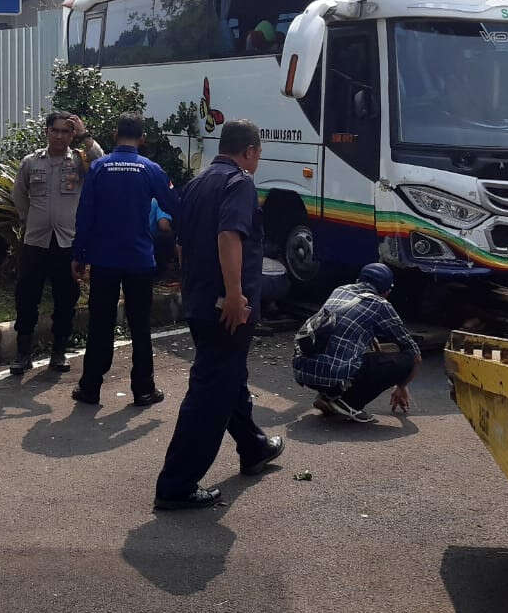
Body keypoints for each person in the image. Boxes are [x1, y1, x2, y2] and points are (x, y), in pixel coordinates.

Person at [153, 120, 284, 511]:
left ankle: (253, 446)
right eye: (258, 154)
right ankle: (176, 484)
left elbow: (180, 242)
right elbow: (229, 236)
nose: (257, 160)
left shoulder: (197, 184)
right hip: (226, 308)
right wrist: (233, 294)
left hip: (199, 301)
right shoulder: (240, 183)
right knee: (210, 392)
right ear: (250, 151)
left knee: (228, 378)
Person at [70, 113, 182, 407]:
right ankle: (144, 390)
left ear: (114, 135)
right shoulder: (151, 169)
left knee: (100, 325)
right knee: (141, 326)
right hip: (139, 260)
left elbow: (85, 215)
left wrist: (79, 255)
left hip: (104, 260)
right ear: (142, 139)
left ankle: (90, 388)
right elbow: (175, 205)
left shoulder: (99, 167)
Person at [10, 112, 103, 374]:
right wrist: (31, 219)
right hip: (36, 242)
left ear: (72, 135)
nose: (60, 136)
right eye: (55, 131)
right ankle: (22, 353)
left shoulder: (80, 161)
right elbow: (19, 195)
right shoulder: (31, 162)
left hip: (67, 243)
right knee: (26, 298)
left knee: (65, 300)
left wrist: (86, 136)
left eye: (66, 131)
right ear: (47, 132)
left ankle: (59, 352)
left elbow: (102, 162)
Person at [292, 263, 421, 424]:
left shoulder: (340, 290)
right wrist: (401, 386)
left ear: (358, 280)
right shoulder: (380, 304)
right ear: (387, 291)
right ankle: (350, 402)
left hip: (303, 370)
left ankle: (329, 395)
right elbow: (414, 353)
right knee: (406, 359)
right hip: (331, 373)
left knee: (344, 351)